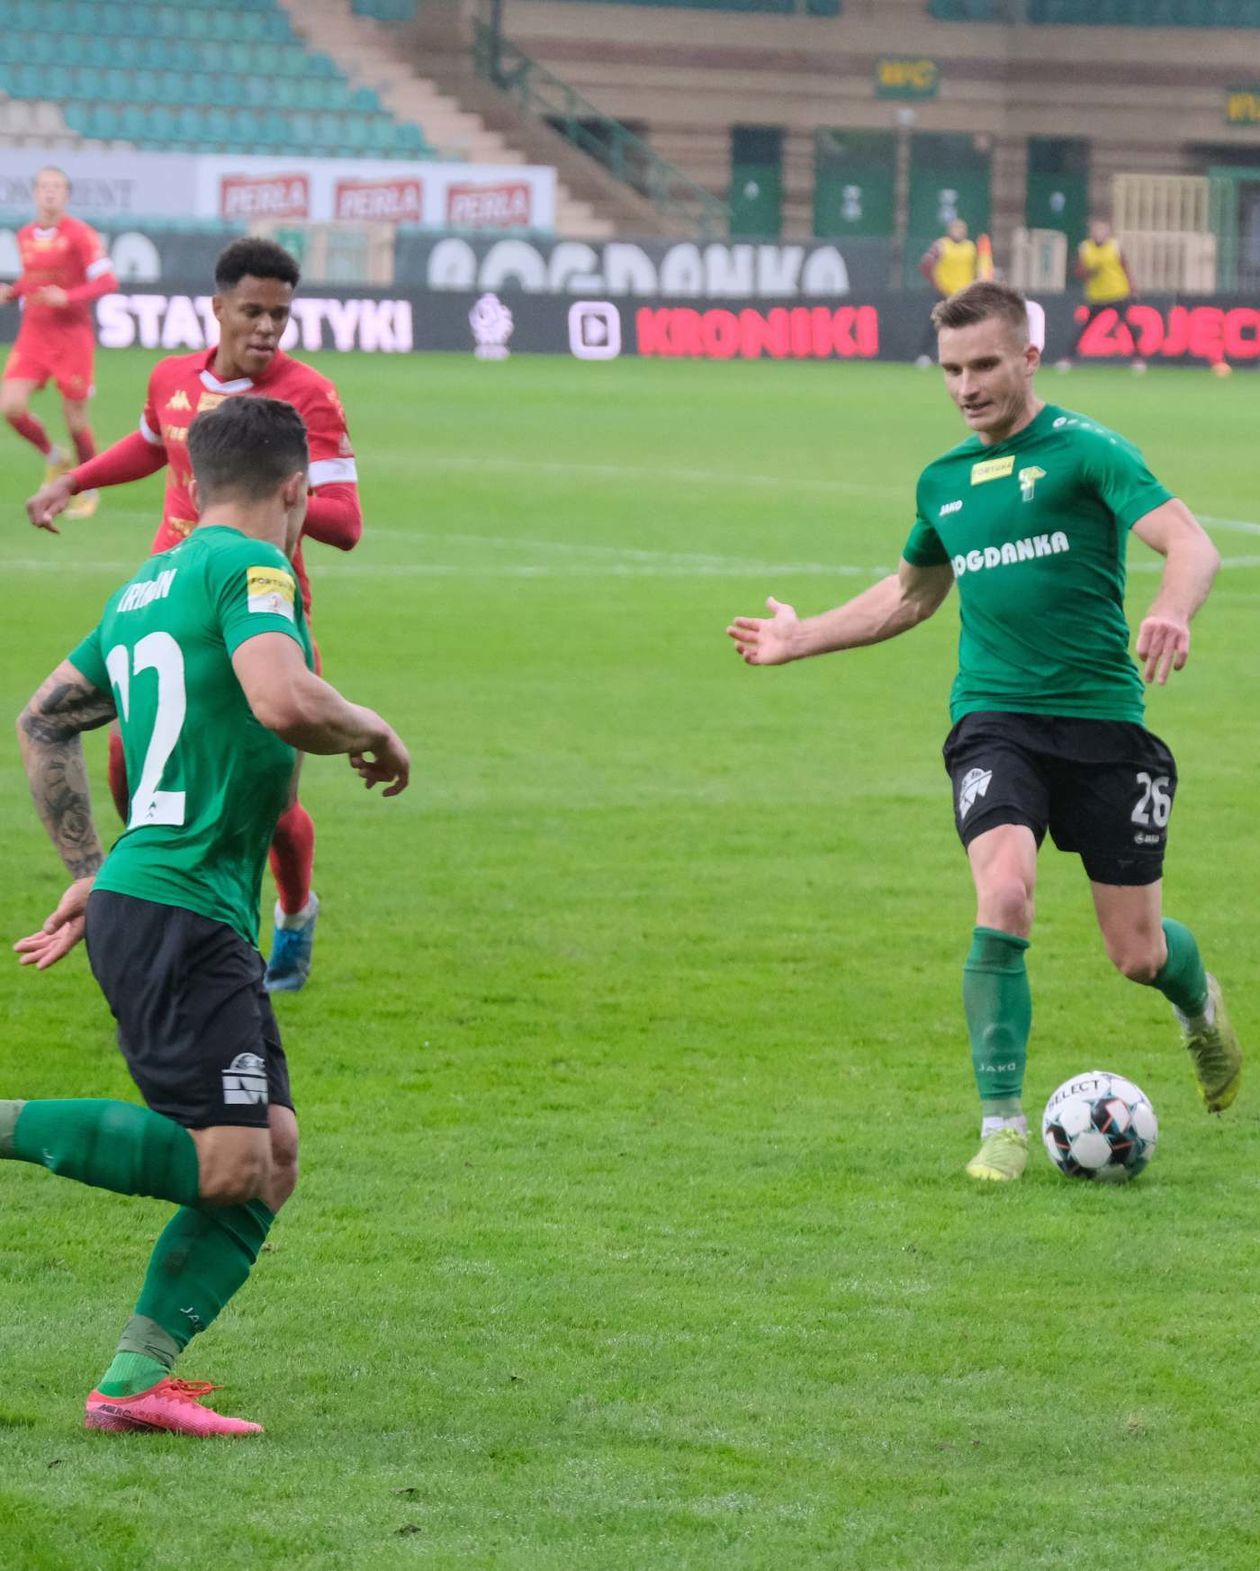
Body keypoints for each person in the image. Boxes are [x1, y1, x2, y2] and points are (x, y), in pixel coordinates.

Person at [727, 279, 1240, 1183]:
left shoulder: (1088, 452)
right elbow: (910, 595)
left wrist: (1172, 610)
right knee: (1004, 892)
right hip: (993, 720)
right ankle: (1001, 1124)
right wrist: (800, 637)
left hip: (1104, 723)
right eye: (952, 369)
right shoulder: (944, 481)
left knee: (1137, 951)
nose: (966, 385)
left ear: (1029, 357)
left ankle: (1200, 1009)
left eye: (985, 365)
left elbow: (1192, 543)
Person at [7, 396, 409, 1436]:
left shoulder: (145, 585)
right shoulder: (254, 568)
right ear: (295, 489)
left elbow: (41, 721)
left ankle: (132, 1381)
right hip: (183, 909)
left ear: (186, 482)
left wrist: (95, 869)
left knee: (269, 1157)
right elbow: (284, 699)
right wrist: (375, 727)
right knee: (229, 1159)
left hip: (174, 901)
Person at [27, 237, 361, 993]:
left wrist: (251, 503)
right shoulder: (171, 377)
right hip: (169, 604)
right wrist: (72, 478)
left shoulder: (308, 396)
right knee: (123, 762)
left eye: (281, 314)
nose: (268, 327)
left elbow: (345, 522)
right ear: (217, 308)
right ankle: (154, 897)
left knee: (270, 798)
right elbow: (151, 445)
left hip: (258, 609)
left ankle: (295, 909)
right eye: (253, 311)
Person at [1, 165, 118, 517]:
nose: (50, 193)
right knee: (10, 407)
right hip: (34, 335)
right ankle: (54, 456)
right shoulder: (24, 235)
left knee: (76, 422)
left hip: (72, 337)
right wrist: (13, 291)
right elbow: (33, 278)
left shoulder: (81, 235)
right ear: (35, 194)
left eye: (57, 187)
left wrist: (68, 297)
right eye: (43, 187)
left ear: (66, 195)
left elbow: (107, 281)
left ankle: (89, 489)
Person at [1061, 217, 1142, 370]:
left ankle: (1138, 359)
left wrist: (1132, 287)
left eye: (1102, 231)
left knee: (1128, 326)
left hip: (1117, 293)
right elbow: (1078, 273)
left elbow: (1125, 268)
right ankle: (1069, 358)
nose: (1099, 234)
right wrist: (1090, 272)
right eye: (1096, 231)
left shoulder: (1114, 246)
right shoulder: (1085, 248)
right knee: (1085, 327)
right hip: (1097, 296)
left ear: (1108, 233)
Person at [915, 217, 977, 367]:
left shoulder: (970, 247)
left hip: (964, 294)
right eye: (956, 228)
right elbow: (925, 264)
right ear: (950, 230)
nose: (959, 232)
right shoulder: (941, 245)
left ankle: (965, 356)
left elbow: (976, 268)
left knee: (966, 326)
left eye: (962, 229)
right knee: (936, 324)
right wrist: (937, 285)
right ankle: (924, 355)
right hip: (945, 292)